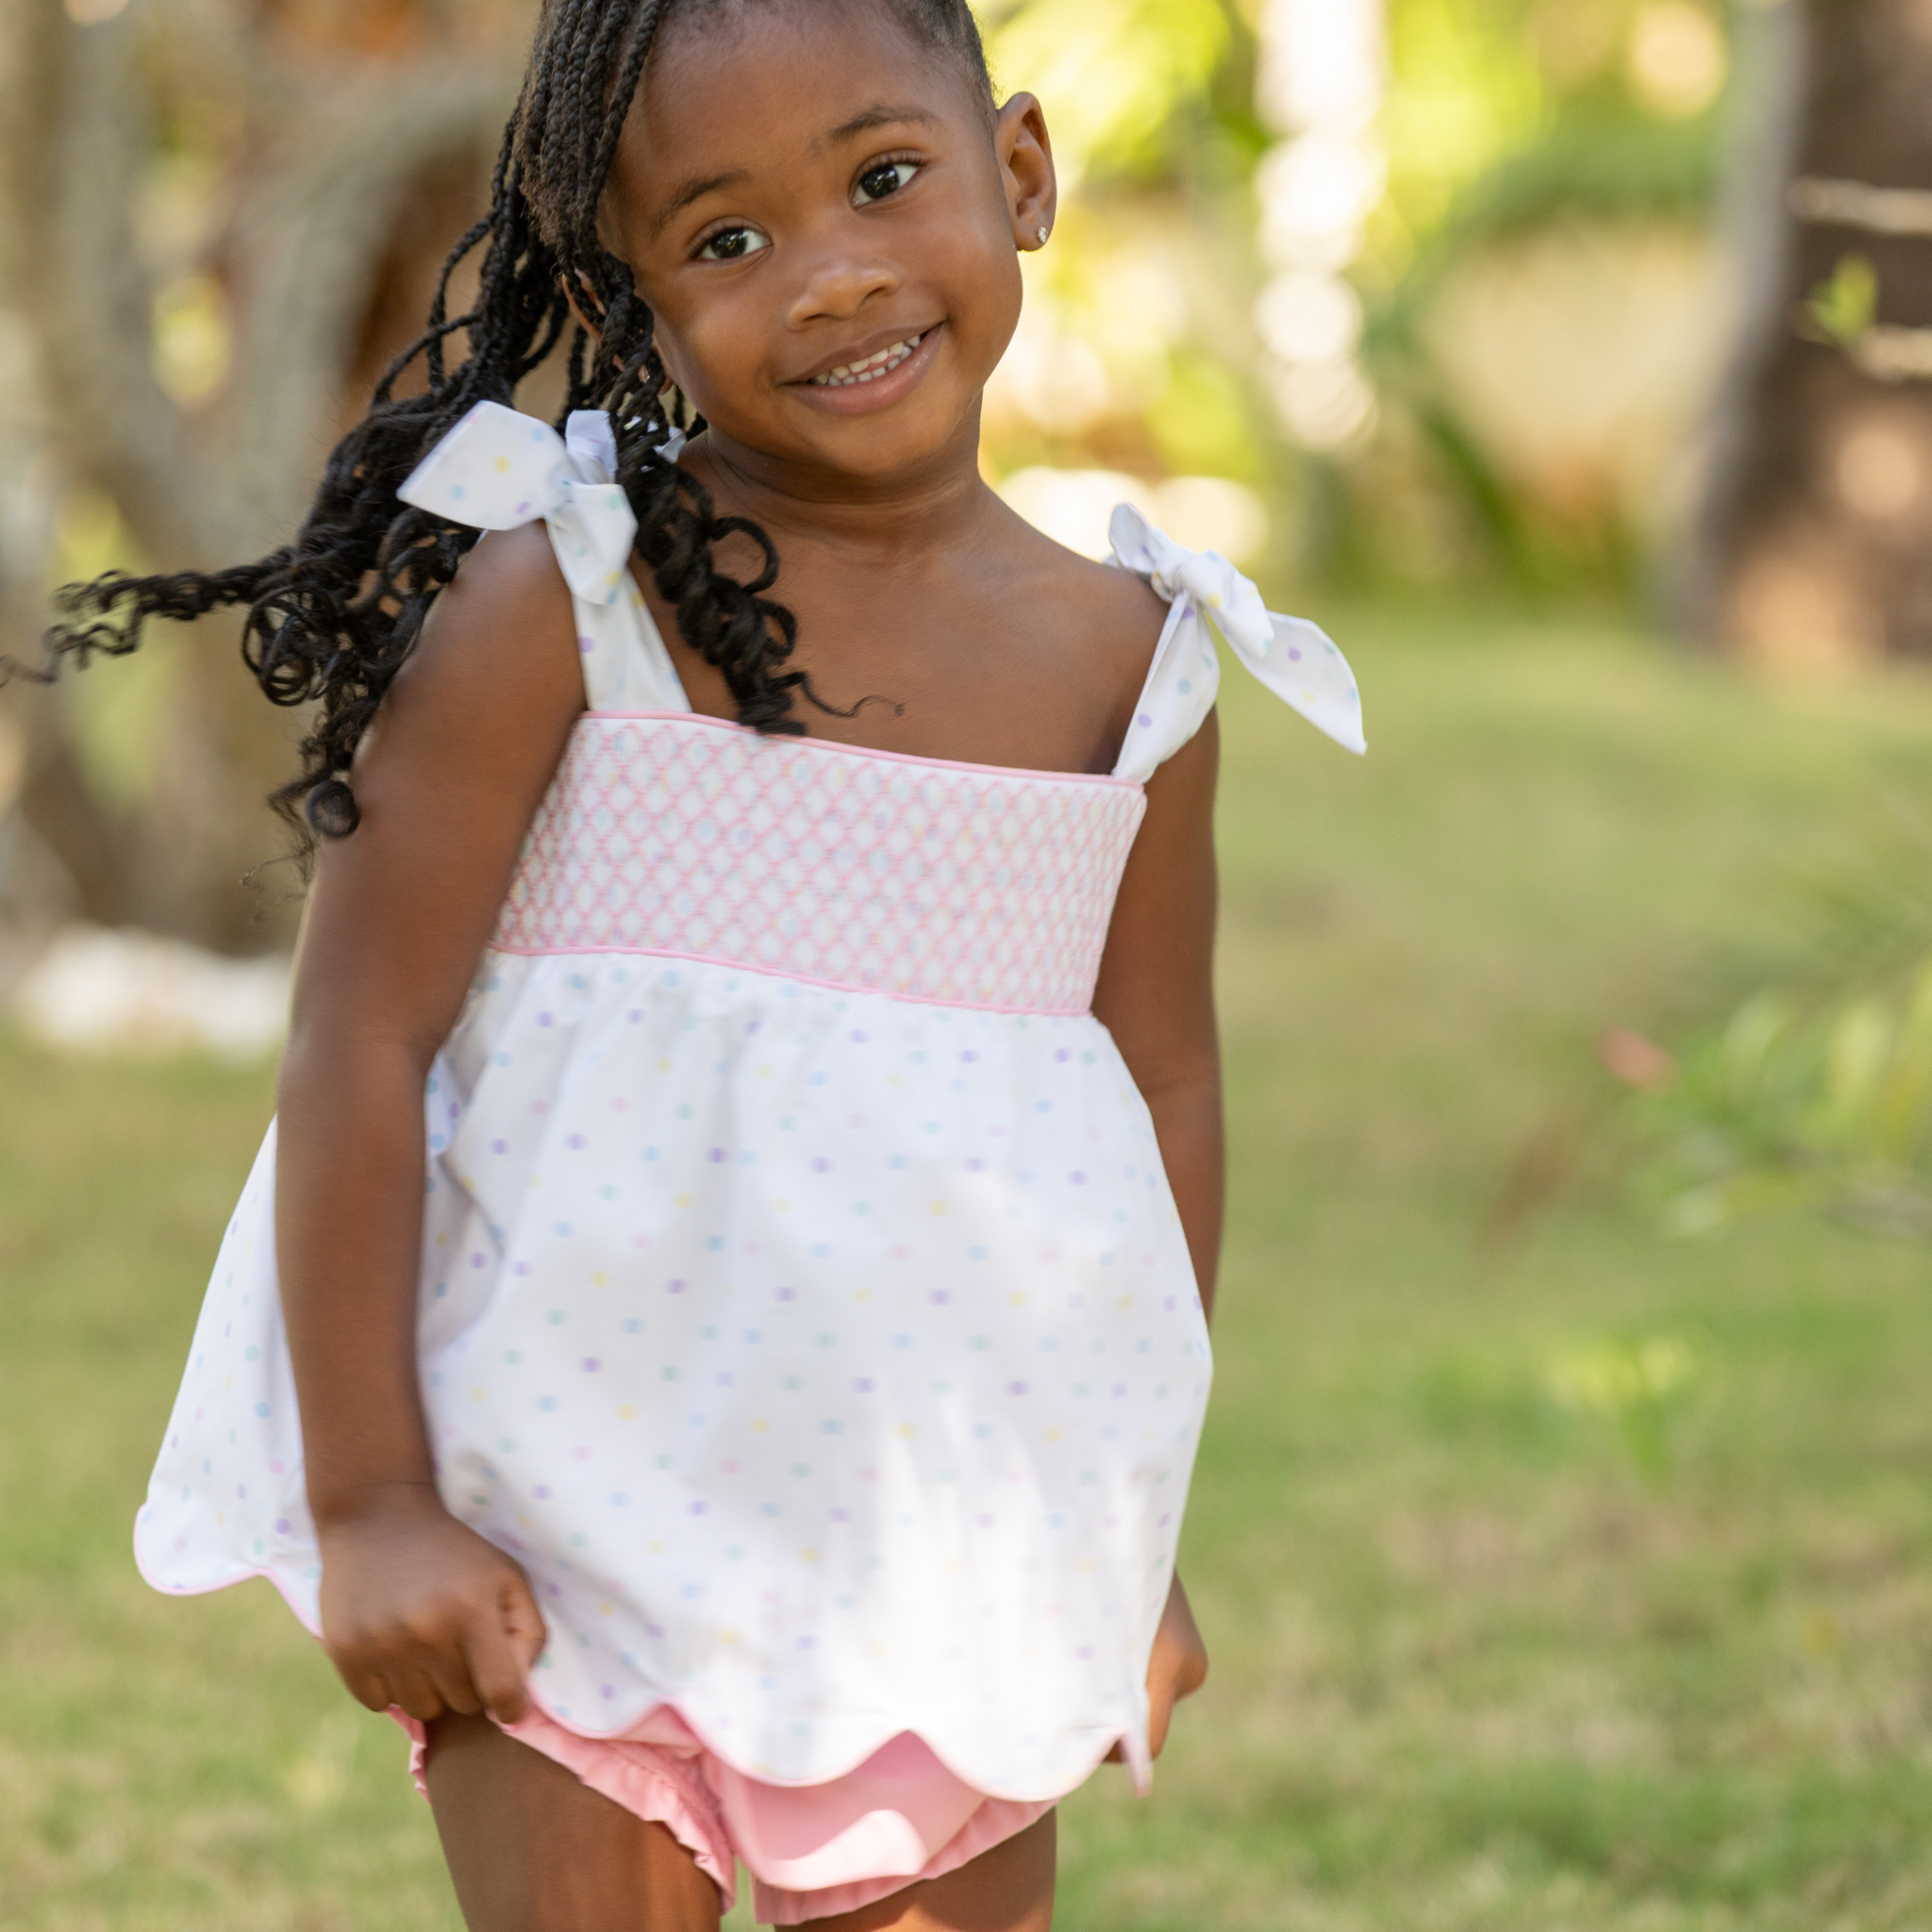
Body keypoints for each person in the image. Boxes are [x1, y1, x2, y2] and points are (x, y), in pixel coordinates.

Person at [53, 1, 1363, 1925]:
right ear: (635, 299)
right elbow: (363, 1040)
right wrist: (374, 1504)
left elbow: (1155, 1085)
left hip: (942, 1529)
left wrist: (1116, 1537)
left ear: (1018, 174)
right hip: (564, 1500)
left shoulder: (1131, 671)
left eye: (885, 180)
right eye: (726, 239)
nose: (830, 276)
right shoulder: (562, 605)